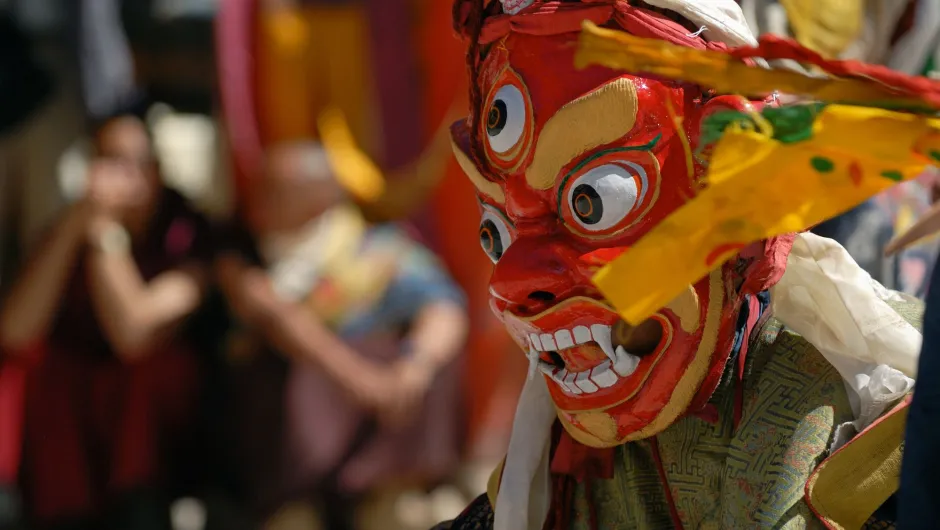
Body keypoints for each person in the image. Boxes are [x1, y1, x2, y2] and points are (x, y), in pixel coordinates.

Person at [434, 1, 928, 528]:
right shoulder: (552, 480)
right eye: (497, 230)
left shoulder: (886, 417)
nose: (511, 282)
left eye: (592, 201)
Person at [211, 137, 469, 529]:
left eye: (274, 192)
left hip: (381, 443)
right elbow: (278, 318)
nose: (258, 201)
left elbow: (445, 308)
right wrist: (358, 379)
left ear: (318, 200)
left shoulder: (377, 251)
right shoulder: (244, 259)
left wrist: (413, 368)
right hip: (289, 469)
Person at [0, 113, 212, 530]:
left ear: (155, 173)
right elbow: (16, 331)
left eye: (128, 163)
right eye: (105, 161)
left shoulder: (187, 234)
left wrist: (102, 235)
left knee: (147, 373)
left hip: (151, 443)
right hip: (68, 423)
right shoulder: (71, 221)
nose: (113, 177)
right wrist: (76, 226)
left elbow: (132, 333)